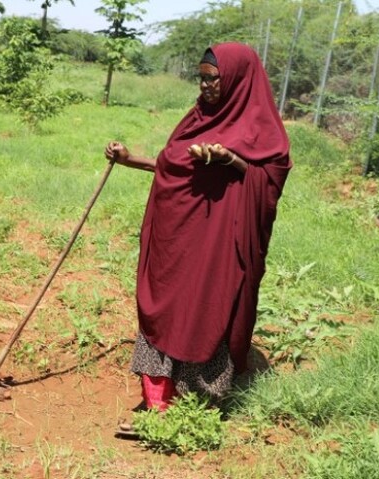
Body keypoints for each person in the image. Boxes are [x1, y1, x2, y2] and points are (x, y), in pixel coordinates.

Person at [104, 42, 292, 425]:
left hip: (220, 241)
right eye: (201, 79)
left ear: (237, 80)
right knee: (168, 304)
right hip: (177, 237)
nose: (204, 87)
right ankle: (158, 400)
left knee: (208, 304)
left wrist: (232, 160)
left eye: (212, 79)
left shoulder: (260, 127)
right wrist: (129, 160)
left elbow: (271, 177)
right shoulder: (197, 117)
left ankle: (198, 404)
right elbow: (170, 163)